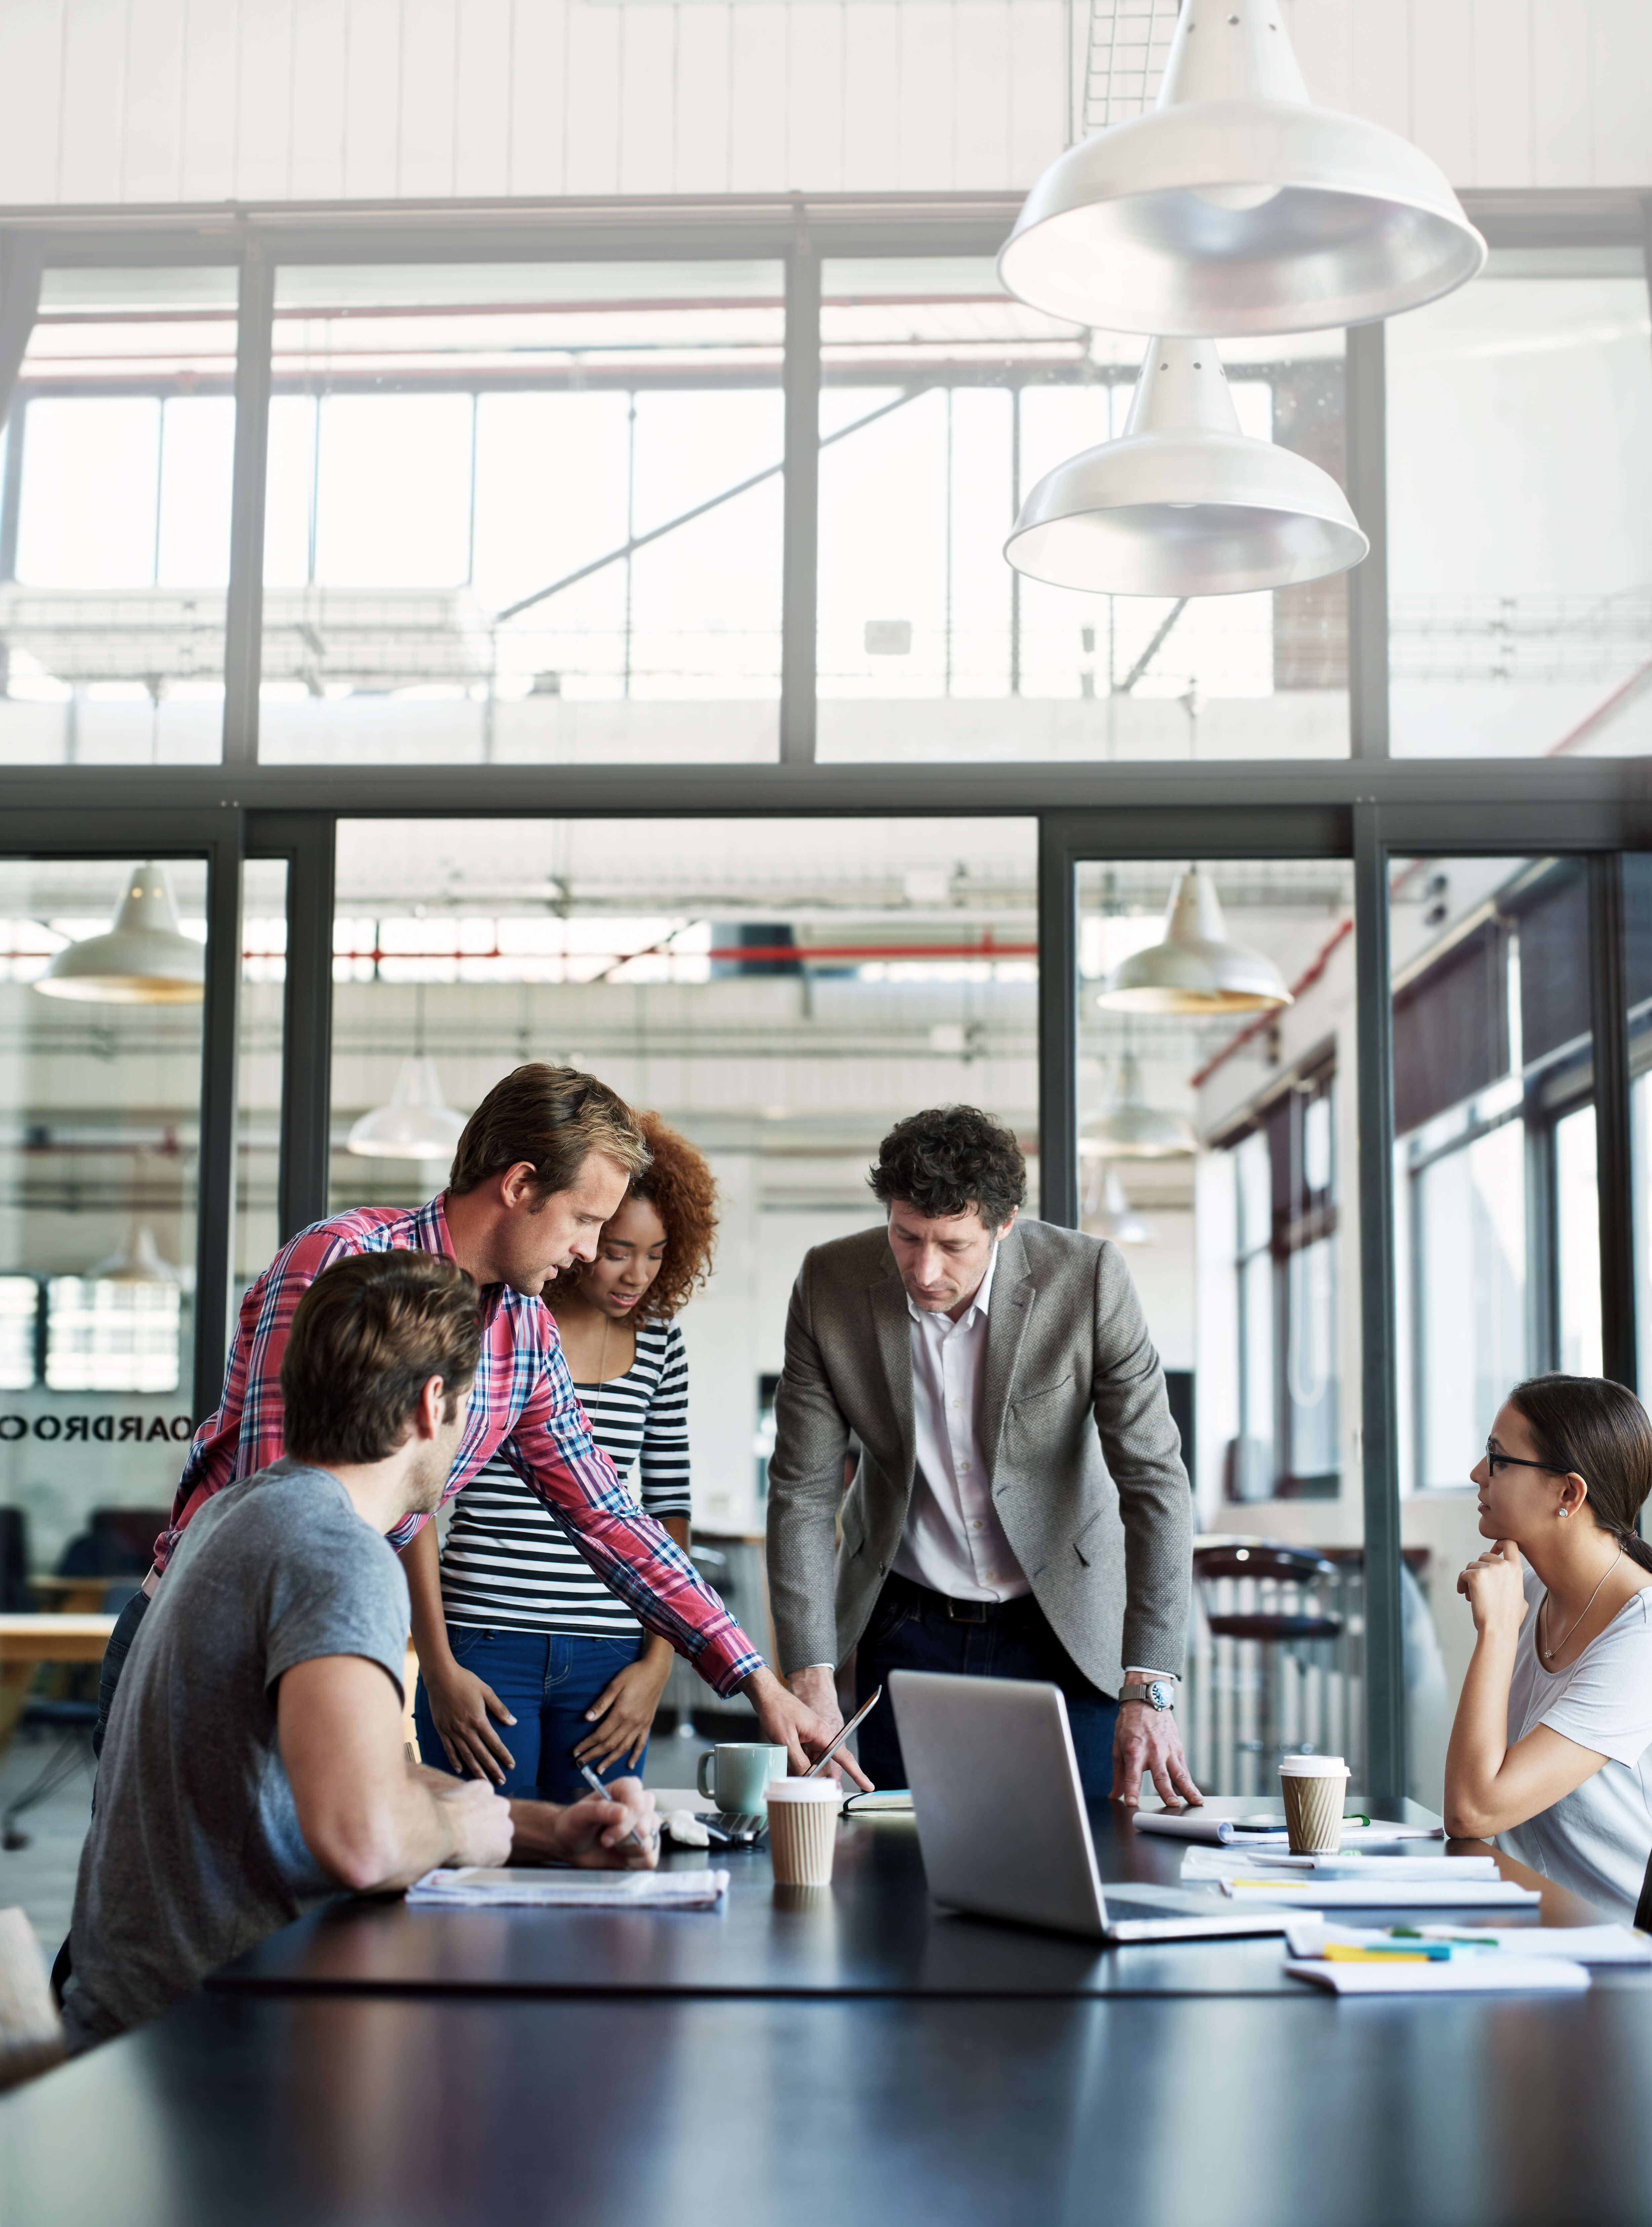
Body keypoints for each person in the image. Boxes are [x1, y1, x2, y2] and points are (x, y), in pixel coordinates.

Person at [93, 1063, 846, 1778]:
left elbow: (608, 1514)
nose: (588, 1252)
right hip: (209, 1643)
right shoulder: (342, 1261)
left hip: (333, 1652)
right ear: (520, 1185)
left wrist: (756, 1680)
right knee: (156, 1908)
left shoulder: (524, 1331)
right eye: (585, 1219)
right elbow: (278, 1504)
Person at [62, 1251, 659, 2052]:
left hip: (147, 2018)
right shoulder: (338, 1554)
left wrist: (546, 1830)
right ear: (429, 1405)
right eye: (470, 1405)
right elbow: (363, 1836)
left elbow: (346, 1765)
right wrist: (459, 1837)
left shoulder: (242, 1513)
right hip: (211, 2049)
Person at [766, 1104, 1200, 1807]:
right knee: (901, 1870)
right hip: (906, 1627)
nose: (925, 1269)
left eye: (953, 1244)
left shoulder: (1087, 1280)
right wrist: (808, 1672)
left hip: (1064, 1627)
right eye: (906, 1237)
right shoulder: (829, 1284)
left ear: (1005, 1223)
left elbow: (1154, 1483)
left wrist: (1150, 1681)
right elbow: (802, 1491)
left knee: (1079, 1867)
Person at [411, 1115, 715, 1797]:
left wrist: (657, 1666)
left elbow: (664, 1510)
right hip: (486, 1640)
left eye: (657, 1253)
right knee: (479, 1863)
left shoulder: (661, 1346)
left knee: (605, 1864)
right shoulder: (499, 1324)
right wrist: (435, 1663)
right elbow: (416, 1499)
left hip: (610, 1659)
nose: (636, 1274)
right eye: (615, 1248)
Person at [1446, 1373, 1652, 1919]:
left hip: (1620, 1966)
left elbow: (1471, 1809)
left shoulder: (1643, 1638)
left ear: (1569, 1492)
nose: (1476, 1475)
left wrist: (1495, 1632)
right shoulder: (1531, 1591)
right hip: (1527, 1931)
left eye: (1499, 1459)